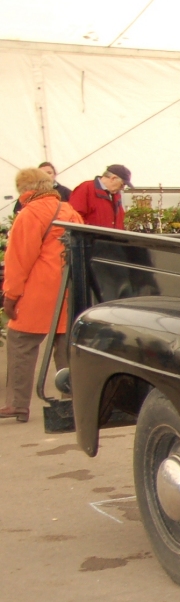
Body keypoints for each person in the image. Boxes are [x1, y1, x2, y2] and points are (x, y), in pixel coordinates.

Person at [1, 168, 83, 423]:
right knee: (65, 348)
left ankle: (17, 404)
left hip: (38, 292)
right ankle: (74, 403)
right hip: (68, 290)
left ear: (25, 190)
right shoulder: (70, 212)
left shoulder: (29, 214)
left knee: (21, 343)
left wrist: (10, 296)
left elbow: (18, 259)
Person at [69, 164, 130, 228]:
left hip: (109, 237)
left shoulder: (116, 195)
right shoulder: (85, 188)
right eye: (122, 184)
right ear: (113, 178)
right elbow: (74, 216)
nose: (122, 188)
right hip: (89, 236)